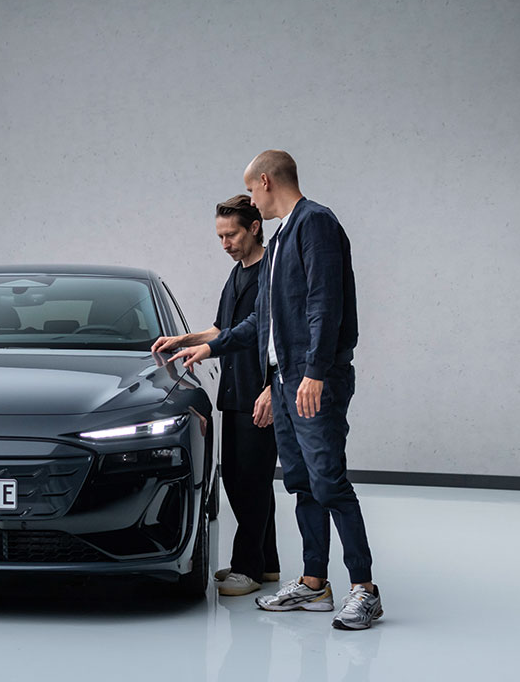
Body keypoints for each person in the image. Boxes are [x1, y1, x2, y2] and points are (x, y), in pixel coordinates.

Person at [153, 151, 383, 631]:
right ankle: (314, 584)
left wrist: (315, 372)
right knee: (302, 484)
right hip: (283, 379)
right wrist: (208, 345)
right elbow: (263, 320)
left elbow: (325, 304)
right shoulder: (279, 240)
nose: (252, 200)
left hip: (312, 378)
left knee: (329, 482)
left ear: (265, 181)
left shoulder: (315, 223)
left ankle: (365, 589)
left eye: (251, 190)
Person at [166, 195, 280, 596]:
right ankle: (267, 563)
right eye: (220, 236)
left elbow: (271, 332)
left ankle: (248, 569)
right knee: (240, 478)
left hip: (259, 394)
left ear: (254, 227)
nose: (225, 243)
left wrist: (272, 388)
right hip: (233, 394)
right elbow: (221, 329)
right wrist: (183, 340)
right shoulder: (237, 274)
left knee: (250, 482)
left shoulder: (272, 272)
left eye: (231, 234)